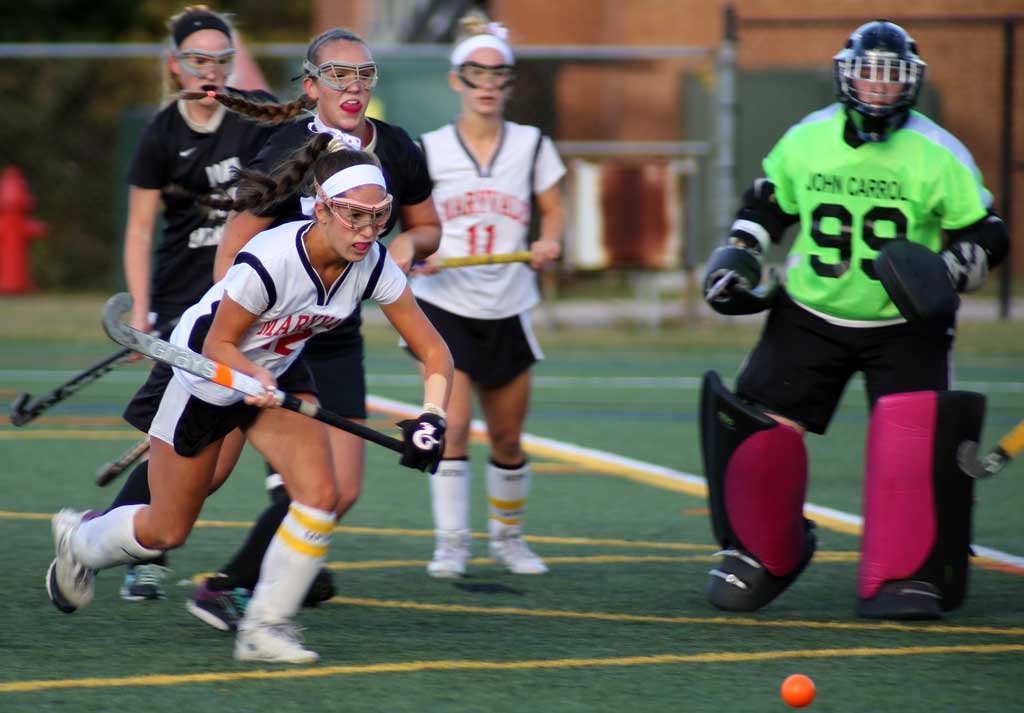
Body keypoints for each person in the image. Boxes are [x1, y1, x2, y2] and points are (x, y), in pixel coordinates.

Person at [47, 144, 454, 665]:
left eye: (378, 217)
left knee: (320, 496)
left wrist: (432, 417)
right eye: (354, 215)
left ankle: (264, 627)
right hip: (206, 374)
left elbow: (434, 351)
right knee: (167, 530)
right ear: (321, 207)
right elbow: (219, 343)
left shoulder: (372, 262)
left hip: (276, 372)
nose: (367, 230)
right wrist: (251, 374)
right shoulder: (272, 258)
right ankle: (79, 541)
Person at [698, 20, 1009, 620]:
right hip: (810, 311)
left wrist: (947, 270)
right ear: (846, 77)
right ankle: (763, 550)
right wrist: (740, 252)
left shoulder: (938, 151)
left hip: (903, 323)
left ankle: (909, 569)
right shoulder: (808, 138)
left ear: (910, 84)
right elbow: (767, 204)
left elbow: (987, 232)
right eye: (868, 74)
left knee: (913, 450)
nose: (878, 88)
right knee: (762, 432)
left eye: (891, 77)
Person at [181, 27, 442, 631]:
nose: (354, 86)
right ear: (312, 85)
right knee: (203, 476)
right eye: (339, 75)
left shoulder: (397, 147)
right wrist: (232, 328)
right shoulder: (289, 147)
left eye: (364, 75)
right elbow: (234, 250)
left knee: (335, 491)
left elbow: (428, 227)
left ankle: (233, 590)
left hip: (334, 334)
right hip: (271, 335)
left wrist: (406, 248)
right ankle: (111, 533)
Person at [104, 5, 277, 602]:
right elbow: (139, 229)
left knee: (215, 466)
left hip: (251, 302)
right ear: (176, 65)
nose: (210, 70)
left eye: (221, 60)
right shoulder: (163, 133)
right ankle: (129, 545)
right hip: (187, 306)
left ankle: (120, 534)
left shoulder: (254, 119)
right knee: (185, 448)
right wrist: (141, 312)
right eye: (199, 60)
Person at [410, 11, 566, 578]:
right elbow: (412, 221)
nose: (487, 86)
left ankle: (508, 539)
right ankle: (452, 543)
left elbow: (553, 208)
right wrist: (418, 251)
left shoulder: (532, 144)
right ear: (457, 80)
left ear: (509, 84)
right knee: (451, 427)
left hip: (509, 303)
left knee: (506, 437)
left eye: (498, 75)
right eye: (476, 74)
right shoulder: (430, 149)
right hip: (444, 304)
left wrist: (549, 241)